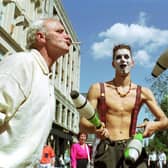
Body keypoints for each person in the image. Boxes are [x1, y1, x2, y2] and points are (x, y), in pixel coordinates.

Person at [79, 44, 168, 168]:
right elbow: (82, 124)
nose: (123, 60)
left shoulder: (143, 92)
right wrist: (95, 128)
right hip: (107, 149)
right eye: (118, 57)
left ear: (132, 63)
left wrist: (154, 125)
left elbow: (165, 121)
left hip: (133, 148)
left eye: (126, 57)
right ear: (113, 63)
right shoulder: (98, 89)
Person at [0, 18, 71, 167]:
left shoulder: (47, 80)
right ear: (41, 37)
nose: (67, 36)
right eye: (59, 31)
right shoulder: (22, 63)